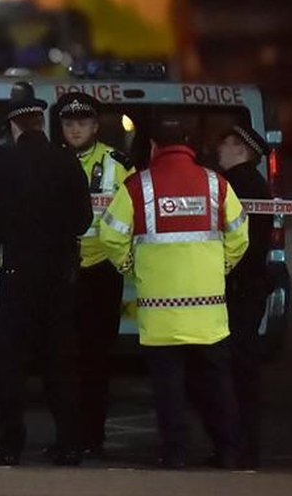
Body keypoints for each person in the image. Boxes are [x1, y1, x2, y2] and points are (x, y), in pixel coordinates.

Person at [98, 116, 249, 469]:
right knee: (217, 386)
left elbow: (110, 235)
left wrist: (130, 265)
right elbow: (240, 234)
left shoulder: (137, 187)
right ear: (190, 145)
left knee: (169, 388)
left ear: (153, 146)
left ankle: (176, 454)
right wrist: (220, 267)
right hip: (209, 312)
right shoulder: (216, 184)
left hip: (160, 312)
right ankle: (229, 452)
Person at [0, 85, 92, 466]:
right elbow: (83, 219)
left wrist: (10, 232)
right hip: (58, 278)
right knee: (60, 363)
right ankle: (68, 443)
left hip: (17, 274)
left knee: (13, 364)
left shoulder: (2, 165)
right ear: (41, 123)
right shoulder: (66, 162)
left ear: (13, 126)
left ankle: (10, 445)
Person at [55, 91, 134, 458]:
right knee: (60, 361)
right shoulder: (51, 161)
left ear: (95, 125)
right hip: (59, 270)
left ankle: (92, 438)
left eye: (82, 123)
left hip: (100, 272)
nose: (75, 129)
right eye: (69, 123)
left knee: (96, 361)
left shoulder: (118, 164)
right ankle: (66, 438)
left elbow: (135, 214)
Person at [213, 124, 273, 468]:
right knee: (239, 372)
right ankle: (239, 447)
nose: (219, 149)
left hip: (239, 291)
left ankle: (240, 449)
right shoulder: (251, 183)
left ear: (241, 150)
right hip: (246, 289)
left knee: (238, 374)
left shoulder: (239, 185)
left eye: (226, 144)